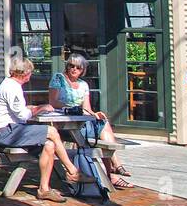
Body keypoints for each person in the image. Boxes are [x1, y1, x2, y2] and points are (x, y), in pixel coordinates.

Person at [0, 54, 80, 202]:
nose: (31, 75)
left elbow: (18, 111)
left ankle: (44, 189)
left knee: (49, 145)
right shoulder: (12, 87)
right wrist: (40, 108)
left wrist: (32, 108)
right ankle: (72, 171)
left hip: (11, 130)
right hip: (7, 132)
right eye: (30, 72)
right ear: (24, 73)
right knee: (52, 131)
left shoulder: (10, 85)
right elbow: (23, 115)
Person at [49, 53, 131, 189]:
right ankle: (114, 168)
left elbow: (86, 108)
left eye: (78, 67)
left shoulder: (83, 84)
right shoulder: (59, 78)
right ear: (67, 66)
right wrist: (71, 108)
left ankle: (112, 169)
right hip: (64, 124)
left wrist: (95, 114)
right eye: (71, 66)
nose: (74, 69)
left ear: (83, 70)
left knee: (103, 123)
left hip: (81, 124)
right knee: (100, 131)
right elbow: (53, 102)